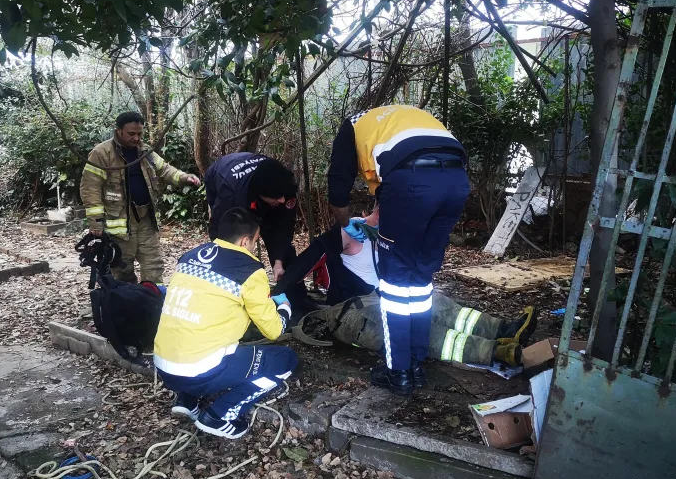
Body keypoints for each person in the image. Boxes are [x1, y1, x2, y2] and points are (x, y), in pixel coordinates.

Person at [273, 208, 536, 368]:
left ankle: (505, 330)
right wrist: (278, 293)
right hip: (354, 308)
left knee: (438, 304)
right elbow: (308, 259)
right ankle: (495, 352)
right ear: (378, 212)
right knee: (415, 330)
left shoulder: (392, 235)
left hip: (386, 297)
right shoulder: (351, 232)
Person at [327, 105, 471, 394]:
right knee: (420, 280)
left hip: (412, 182)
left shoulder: (353, 126)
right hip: (456, 183)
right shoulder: (402, 118)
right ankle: (416, 363)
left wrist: (345, 224)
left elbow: (338, 186)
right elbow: (389, 186)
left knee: (394, 283)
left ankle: (398, 372)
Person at [153, 207, 298, 439]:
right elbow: (273, 330)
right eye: (255, 242)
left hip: (163, 365)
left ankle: (187, 400)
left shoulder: (189, 257)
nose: (254, 248)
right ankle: (219, 415)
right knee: (286, 359)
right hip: (198, 372)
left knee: (195, 331)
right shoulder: (249, 269)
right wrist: (285, 307)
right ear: (245, 241)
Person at [80, 111, 201, 284]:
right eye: (131, 134)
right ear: (119, 130)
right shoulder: (101, 153)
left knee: (154, 266)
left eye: (139, 134)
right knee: (121, 269)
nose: (136, 138)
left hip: (146, 219)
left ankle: (153, 298)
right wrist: (96, 222)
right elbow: (90, 188)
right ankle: (126, 299)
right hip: (120, 223)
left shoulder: (144, 151)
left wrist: (184, 177)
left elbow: (165, 169)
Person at [205, 153, 298, 282]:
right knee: (233, 243)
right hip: (222, 174)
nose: (282, 200)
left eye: (283, 195)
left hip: (255, 186)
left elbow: (285, 226)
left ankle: (293, 289)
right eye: (277, 196)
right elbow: (218, 230)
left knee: (279, 241)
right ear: (261, 194)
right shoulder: (231, 195)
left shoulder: (285, 184)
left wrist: (279, 262)